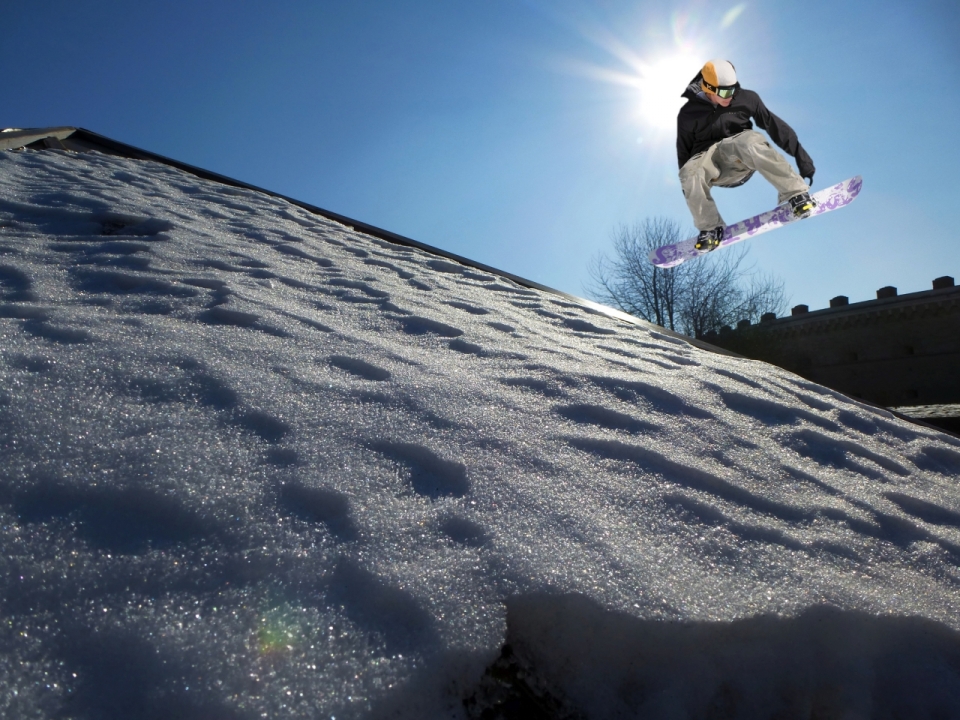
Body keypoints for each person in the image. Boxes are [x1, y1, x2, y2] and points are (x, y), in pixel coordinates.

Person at [677, 59, 816, 252]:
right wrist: (690, 188)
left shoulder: (747, 99)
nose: (731, 96)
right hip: (713, 167)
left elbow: (775, 127)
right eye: (725, 92)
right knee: (689, 172)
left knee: (750, 142)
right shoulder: (687, 115)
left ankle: (796, 193)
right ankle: (710, 228)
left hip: (740, 156)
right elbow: (683, 154)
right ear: (708, 89)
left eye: (733, 89)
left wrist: (804, 160)